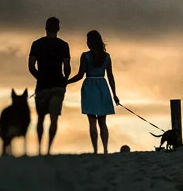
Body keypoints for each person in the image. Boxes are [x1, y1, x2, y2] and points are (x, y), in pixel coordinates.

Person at [66, 30, 119, 154]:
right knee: (102, 122)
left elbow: (80, 75)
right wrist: (114, 94)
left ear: (90, 42)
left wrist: (66, 82)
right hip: (102, 86)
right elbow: (110, 75)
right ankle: (105, 149)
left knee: (92, 121)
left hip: (89, 86)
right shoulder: (106, 56)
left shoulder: (85, 56)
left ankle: (95, 150)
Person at [28, 17, 71, 155]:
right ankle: (48, 149)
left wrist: (39, 77)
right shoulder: (64, 45)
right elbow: (67, 67)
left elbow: (31, 66)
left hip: (42, 86)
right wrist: (65, 79)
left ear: (45, 28)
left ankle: (40, 148)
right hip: (58, 85)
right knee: (54, 118)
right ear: (58, 29)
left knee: (41, 118)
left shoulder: (36, 44)